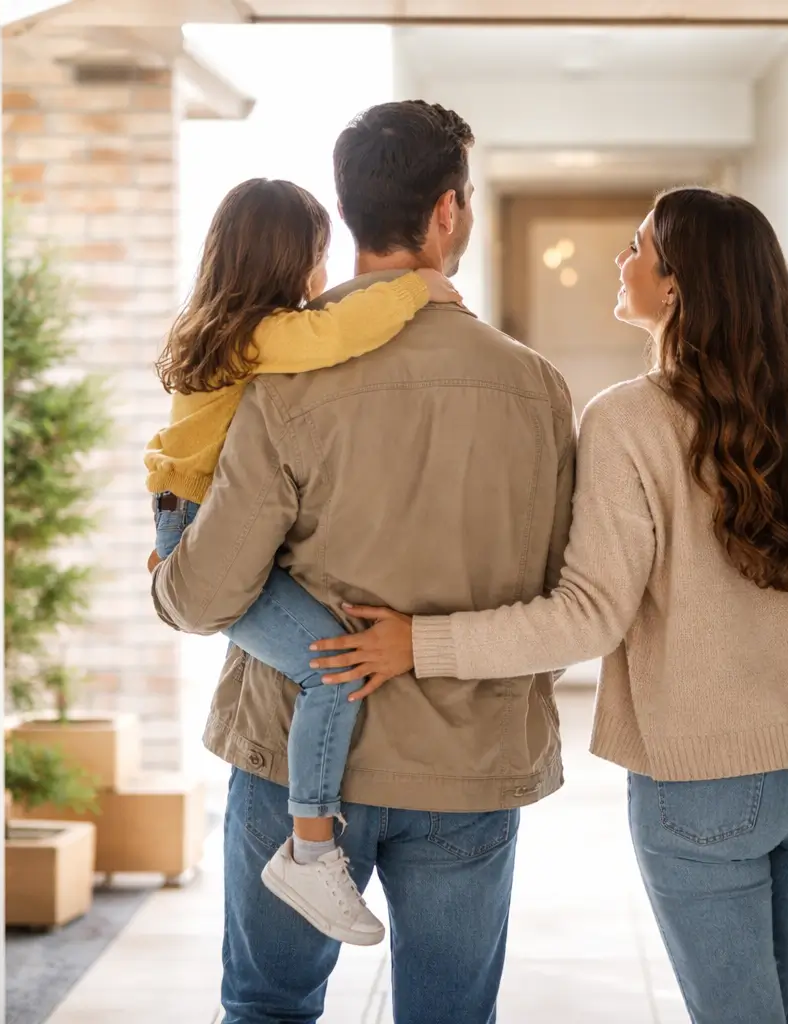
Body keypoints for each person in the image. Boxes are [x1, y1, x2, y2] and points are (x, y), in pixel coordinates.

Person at [309, 187, 788, 1024]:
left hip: (706, 786)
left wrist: (420, 645)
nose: (622, 258)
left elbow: (588, 616)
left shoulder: (629, 420)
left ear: (676, 285)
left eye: (638, 245)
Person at [150, 101, 576, 1024]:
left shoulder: (282, 374)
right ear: (448, 212)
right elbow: (561, 603)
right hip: (466, 762)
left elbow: (208, 596)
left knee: (267, 1008)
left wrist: (166, 572)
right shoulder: (537, 390)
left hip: (292, 764)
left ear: (348, 216)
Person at [142, 177, 459, 945]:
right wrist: (417, 286)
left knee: (327, 654)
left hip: (184, 518)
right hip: (197, 527)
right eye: (318, 256)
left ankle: (313, 844)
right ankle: (311, 848)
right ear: (292, 263)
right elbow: (336, 336)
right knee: (333, 663)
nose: (324, 274)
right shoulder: (260, 334)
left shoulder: (215, 326)